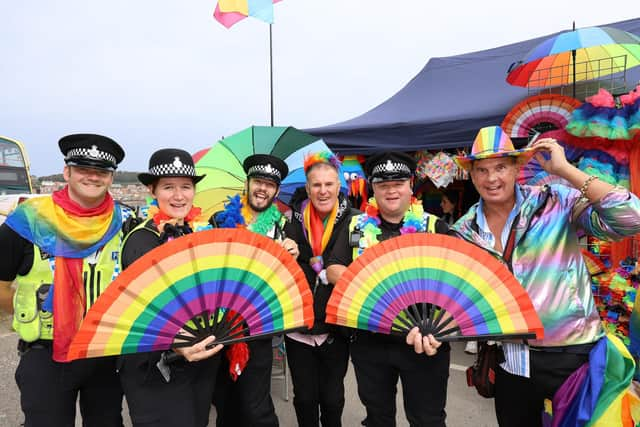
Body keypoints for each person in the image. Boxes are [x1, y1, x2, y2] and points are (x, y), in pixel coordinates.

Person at [419, 125, 640, 427]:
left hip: (573, 357)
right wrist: (434, 329)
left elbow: (631, 217)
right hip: (512, 362)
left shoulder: (555, 202)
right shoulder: (464, 232)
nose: (492, 178)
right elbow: (459, 297)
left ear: (516, 167)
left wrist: (566, 170)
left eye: (500, 167)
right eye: (482, 170)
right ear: (471, 175)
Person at [0, 134, 129, 426]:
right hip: (46, 353)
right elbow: (0, 285)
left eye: (102, 172)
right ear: (67, 171)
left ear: (111, 178)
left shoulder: (123, 220)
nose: (93, 177)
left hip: (104, 353)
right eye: (84, 168)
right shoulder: (28, 220)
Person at [326, 152, 450, 427]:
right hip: (371, 341)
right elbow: (334, 267)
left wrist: (444, 325)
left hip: (423, 340)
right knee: (378, 418)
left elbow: (462, 283)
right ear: (373, 188)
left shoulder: (434, 227)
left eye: (398, 183)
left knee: (427, 419)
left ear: (410, 185)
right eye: (383, 184)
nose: (391, 190)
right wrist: (367, 284)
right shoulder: (357, 226)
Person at [117, 148, 224, 427]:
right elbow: (142, 307)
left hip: (199, 358)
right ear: (152, 190)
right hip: (154, 364)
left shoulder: (203, 232)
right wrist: (177, 343)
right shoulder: (141, 239)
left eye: (186, 187)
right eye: (168, 187)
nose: (178, 196)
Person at [211, 153, 299, 427]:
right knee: (224, 402)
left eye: (270, 184)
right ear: (247, 184)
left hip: (258, 326)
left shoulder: (285, 227)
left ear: (276, 190)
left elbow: (291, 281)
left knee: (255, 406)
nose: (262, 188)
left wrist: (293, 254)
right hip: (218, 325)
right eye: (258, 181)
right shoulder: (220, 220)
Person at [283, 151, 356, 427]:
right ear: (308, 187)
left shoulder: (357, 221)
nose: (323, 191)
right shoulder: (290, 222)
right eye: (316, 185)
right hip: (298, 326)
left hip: (336, 327)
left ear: (339, 185)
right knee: (304, 398)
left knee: (333, 397)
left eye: (329, 184)